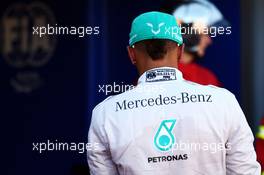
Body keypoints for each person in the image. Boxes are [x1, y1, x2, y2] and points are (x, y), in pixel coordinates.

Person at [87, 11, 260, 175]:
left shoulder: (106, 114)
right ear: (180, 51)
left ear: (131, 54)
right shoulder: (224, 102)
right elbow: (244, 171)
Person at [161, 0, 227, 86]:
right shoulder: (207, 79)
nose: (209, 41)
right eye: (206, 33)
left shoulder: (207, 77)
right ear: (187, 33)